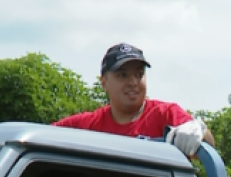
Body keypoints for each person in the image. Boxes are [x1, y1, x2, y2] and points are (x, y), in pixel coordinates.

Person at [53, 43, 215, 157]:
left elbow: (208, 148)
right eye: (123, 75)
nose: (133, 82)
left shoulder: (165, 114)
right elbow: (39, 137)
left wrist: (198, 132)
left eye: (139, 74)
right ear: (104, 82)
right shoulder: (89, 125)